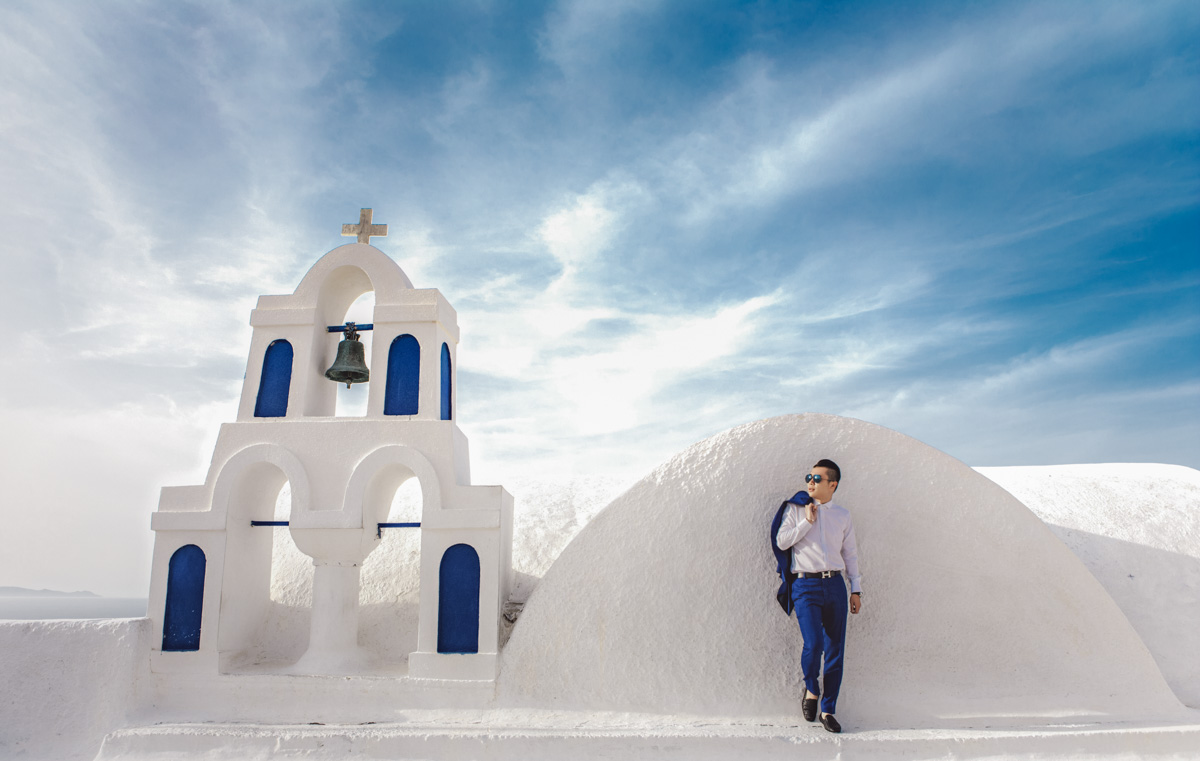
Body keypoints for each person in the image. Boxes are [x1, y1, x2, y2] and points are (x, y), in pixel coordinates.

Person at [773, 459, 862, 733]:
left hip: (835, 585)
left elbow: (850, 554)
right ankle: (811, 688)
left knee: (835, 649)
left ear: (832, 484)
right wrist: (807, 523)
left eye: (817, 478)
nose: (810, 481)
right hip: (805, 586)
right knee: (813, 645)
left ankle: (828, 709)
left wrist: (855, 588)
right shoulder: (795, 509)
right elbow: (782, 541)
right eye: (808, 476)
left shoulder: (843, 516)